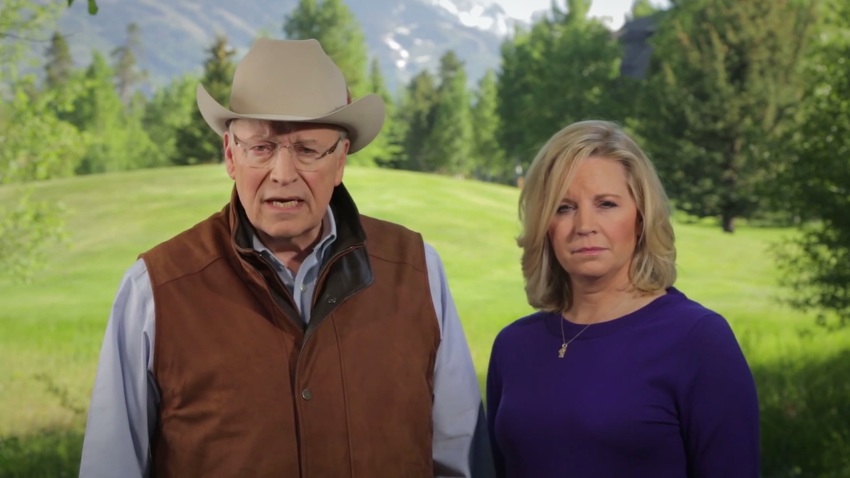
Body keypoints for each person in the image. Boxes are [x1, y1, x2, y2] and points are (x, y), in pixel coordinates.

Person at [79, 38, 490, 477]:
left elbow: (462, 459)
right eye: (261, 147)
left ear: (341, 160)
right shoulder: (155, 289)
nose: (282, 173)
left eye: (308, 149)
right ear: (230, 155)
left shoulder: (418, 271)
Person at [486, 120, 759, 477]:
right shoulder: (514, 346)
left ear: (641, 217)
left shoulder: (698, 340)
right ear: (544, 224)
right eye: (564, 207)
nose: (584, 224)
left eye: (606, 204)